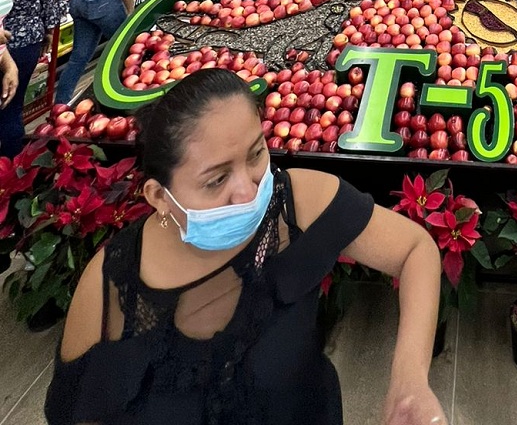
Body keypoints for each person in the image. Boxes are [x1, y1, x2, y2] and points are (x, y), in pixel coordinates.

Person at [45, 69, 445, 425]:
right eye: (216, 180)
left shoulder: (297, 206)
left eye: (256, 154)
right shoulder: (110, 288)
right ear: (159, 197)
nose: (248, 190)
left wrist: (409, 380)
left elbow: (414, 249)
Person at [0, 0, 65, 156]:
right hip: (26, 43)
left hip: (5, 42)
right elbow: (53, 3)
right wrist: (48, 33)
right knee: (12, 108)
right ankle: (10, 173)